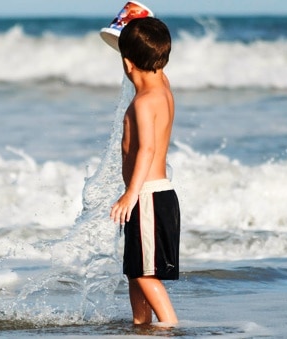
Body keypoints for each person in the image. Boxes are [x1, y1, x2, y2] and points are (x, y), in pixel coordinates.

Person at [109, 17, 180, 326]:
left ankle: (170, 326)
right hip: (154, 196)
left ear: (127, 64)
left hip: (147, 196)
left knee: (144, 273)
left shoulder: (144, 101)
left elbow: (146, 150)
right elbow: (154, 61)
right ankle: (142, 325)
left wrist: (130, 193)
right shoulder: (162, 86)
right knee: (135, 272)